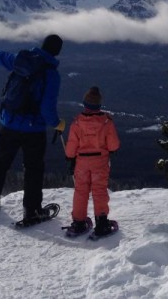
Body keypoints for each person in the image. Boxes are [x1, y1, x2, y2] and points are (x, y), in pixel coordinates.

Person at [0, 34, 65, 224]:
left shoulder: (23, 60)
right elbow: (47, 108)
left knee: (0, 164)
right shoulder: (52, 74)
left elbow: (2, 56)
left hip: (9, 123)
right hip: (34, 130)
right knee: (33, 169)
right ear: (57, 52)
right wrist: (57, 123)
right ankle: (32, 211)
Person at [64, 86, 121, 237]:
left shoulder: (77, 123)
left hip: (81, 163)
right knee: (99, 191)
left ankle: (79, 223)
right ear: (99, 105)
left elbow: (70, 148)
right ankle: (102, 223)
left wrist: (70, 158)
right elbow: (114, 145)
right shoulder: (106, 122)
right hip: (100, 163)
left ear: (85, 104)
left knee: (81, 191)